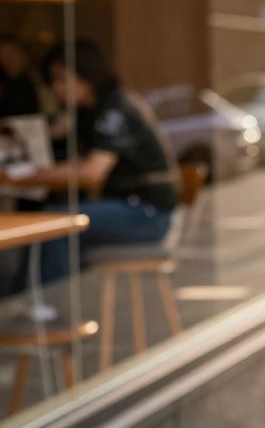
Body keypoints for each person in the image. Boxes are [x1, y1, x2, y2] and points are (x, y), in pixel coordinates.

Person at [1, 38, 177, 292]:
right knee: (54, 223)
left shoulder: (114, 108)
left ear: (87, 74)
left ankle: (42, 310)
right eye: (53, 80)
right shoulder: (87, 111)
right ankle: (40, 307)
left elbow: (91, 172)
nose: (56, 87)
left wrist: (23, 177)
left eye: (62, 78)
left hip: (146, 214)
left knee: (56, 225)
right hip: (128, 207)